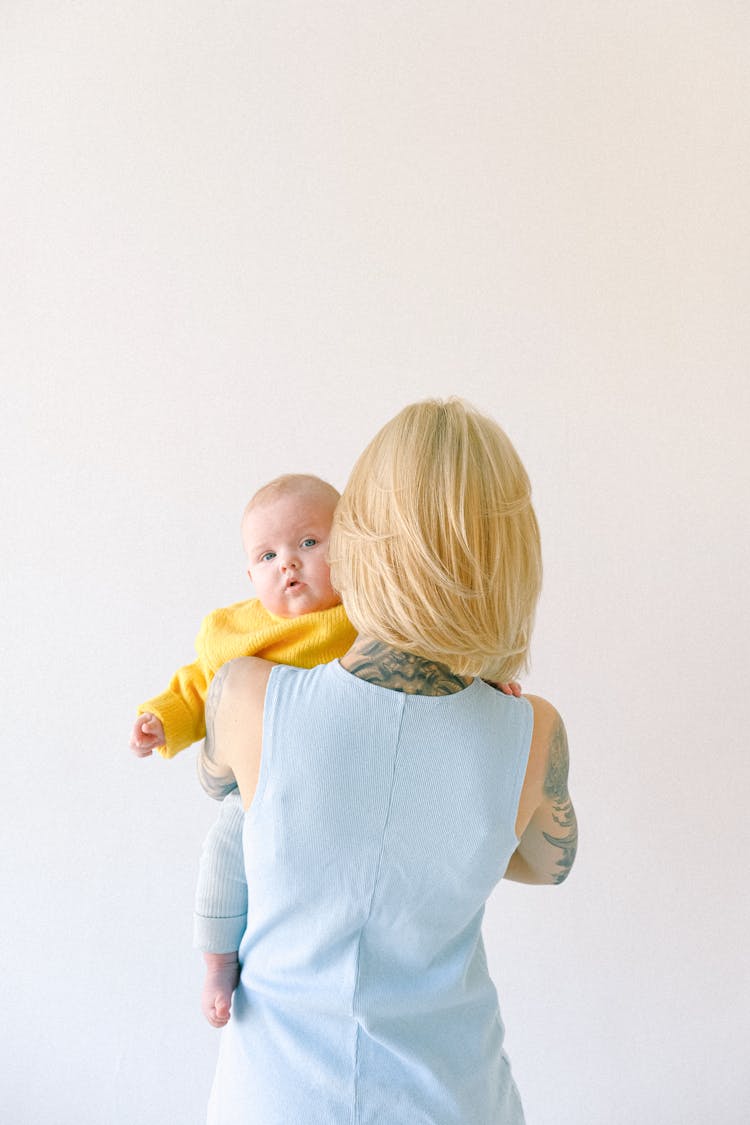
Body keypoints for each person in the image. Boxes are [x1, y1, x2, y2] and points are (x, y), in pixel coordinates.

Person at [200, 398, 578, 1124]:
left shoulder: (245, 693)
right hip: (454, 1099)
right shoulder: (532, 733)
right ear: (512, 557)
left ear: (356, 539)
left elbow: (221, 787)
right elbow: (542, 863)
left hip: (272, 1100)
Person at [130, 473, 358, 1021]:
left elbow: (429, 648)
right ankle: (217, 960)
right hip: (256, 784)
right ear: (250, 573)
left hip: (342, 777)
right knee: (224, 855)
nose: (289, 563)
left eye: (310, 542)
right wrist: (163, 719)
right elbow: (197, 683)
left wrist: (488, 680)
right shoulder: (237, 630)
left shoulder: (367, 614)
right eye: (267, 554)